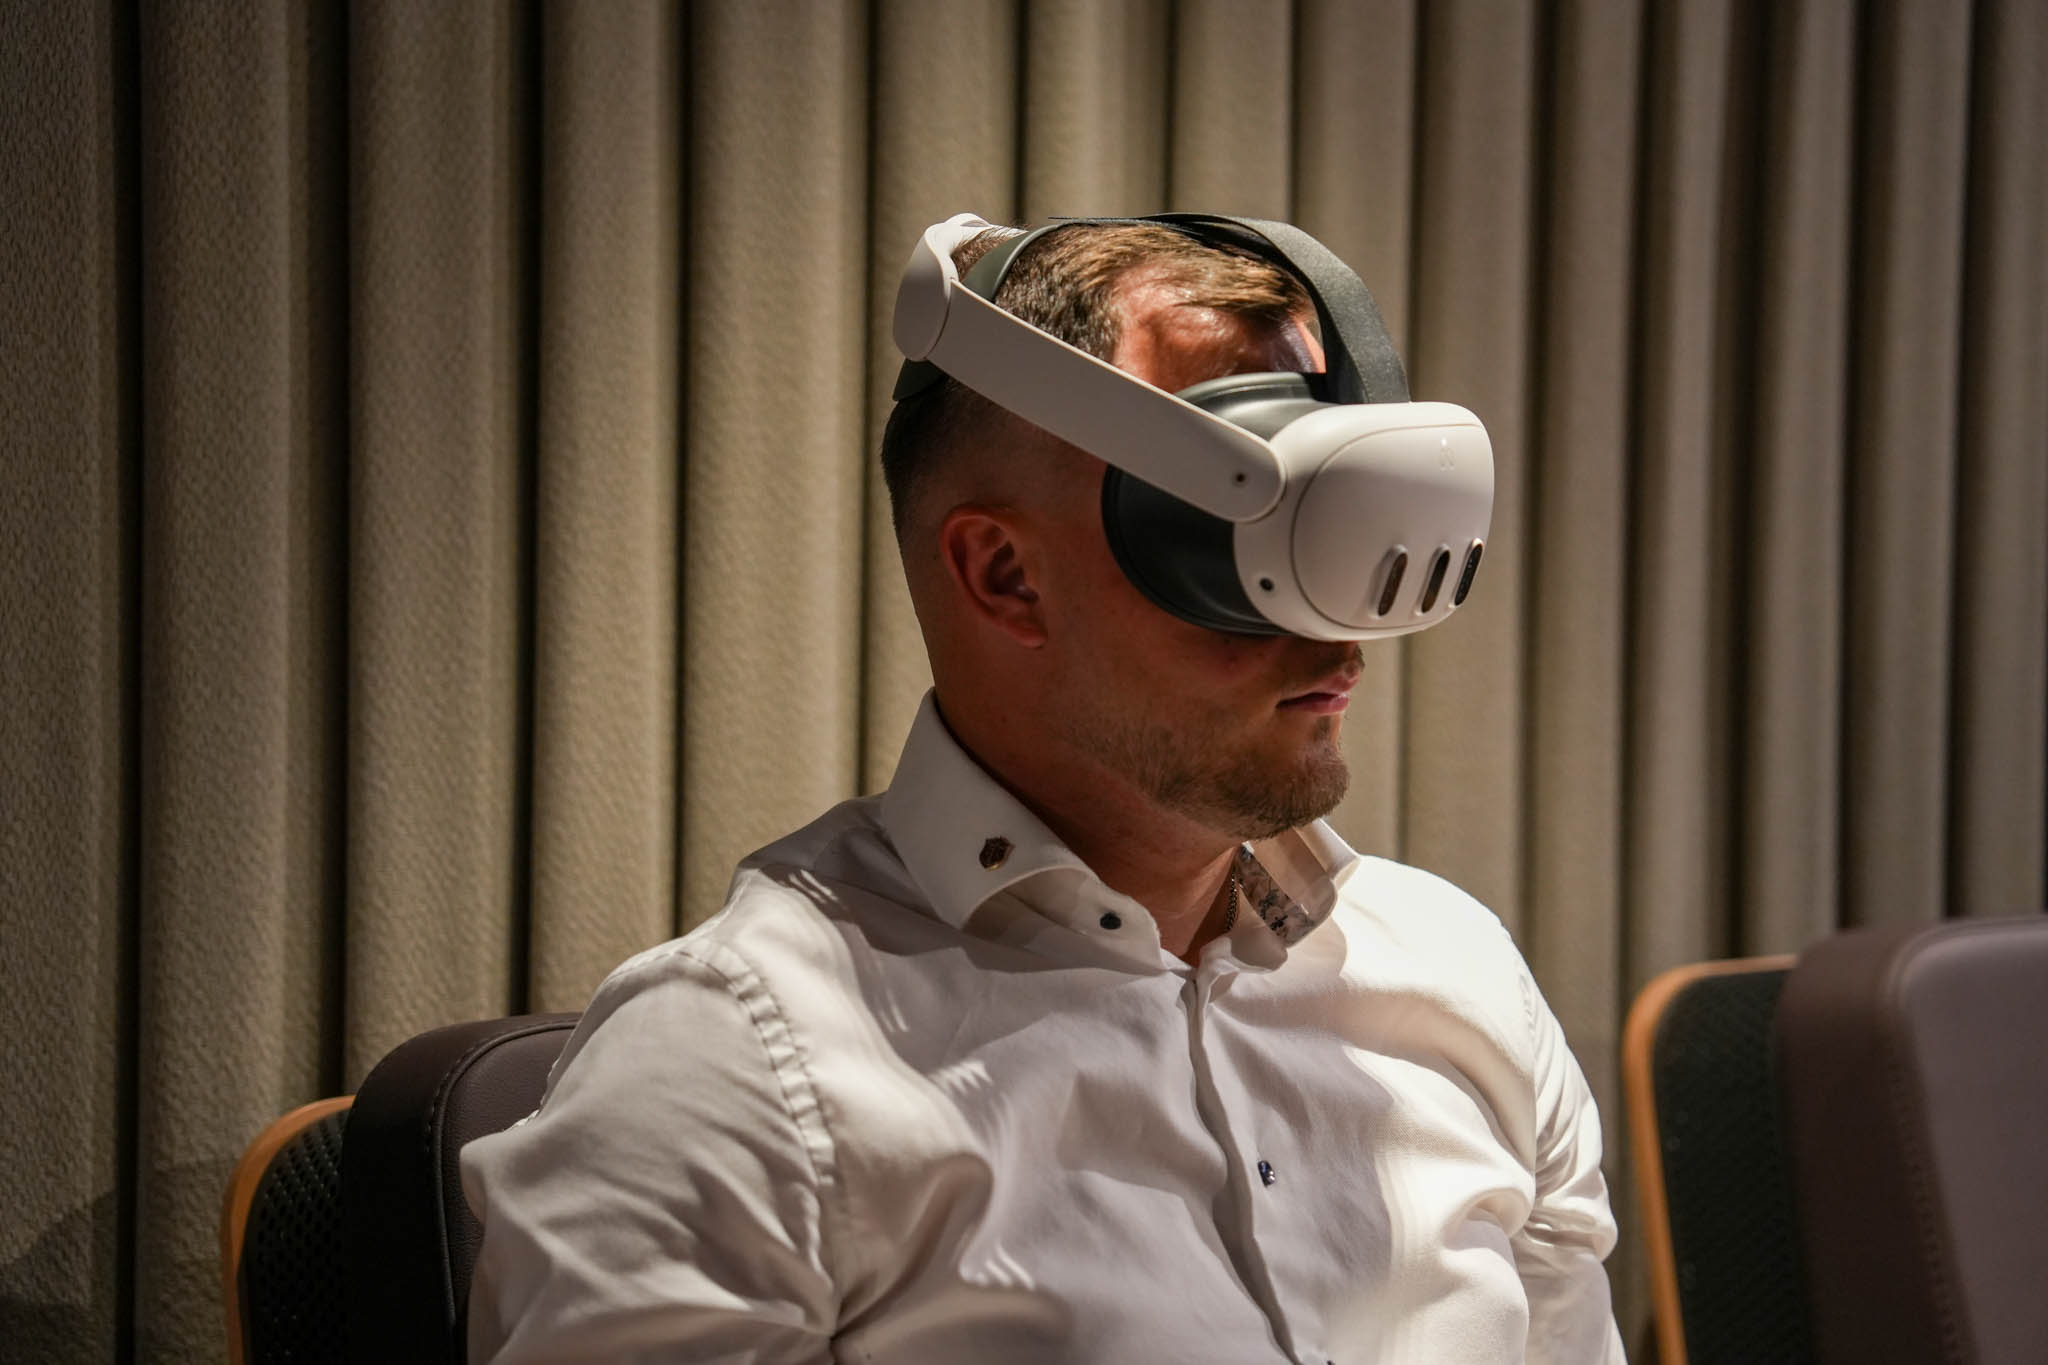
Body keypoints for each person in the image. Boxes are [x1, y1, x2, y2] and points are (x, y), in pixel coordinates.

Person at [461, 217, 1625, 1363]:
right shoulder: (736, 1074)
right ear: (1005, 575)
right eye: (1240, 547)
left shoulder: (1461, 978)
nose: (1339, 646)